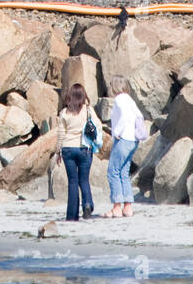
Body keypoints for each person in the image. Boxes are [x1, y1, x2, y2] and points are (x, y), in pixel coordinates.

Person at [55, 83, 97, 220]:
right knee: (84, 180)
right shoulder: (88, 111)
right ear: (83, 95)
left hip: (68, 148)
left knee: (73, 181)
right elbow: (98, 127)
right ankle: (87, 204)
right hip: (84, 148)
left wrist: (57, 152)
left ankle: (72, 215)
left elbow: (61, 134)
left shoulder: (64, 113)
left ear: (70, 96)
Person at [105, 76, 142, 218]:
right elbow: (138, 116)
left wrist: (117, 132)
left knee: (113, 171)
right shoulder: (130, 100)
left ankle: (116, 207)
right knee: (123, 173)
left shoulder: (120, 99)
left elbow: (125, 117)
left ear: (115, 87)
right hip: (134, 139)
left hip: (124, 138)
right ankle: (128, 206)